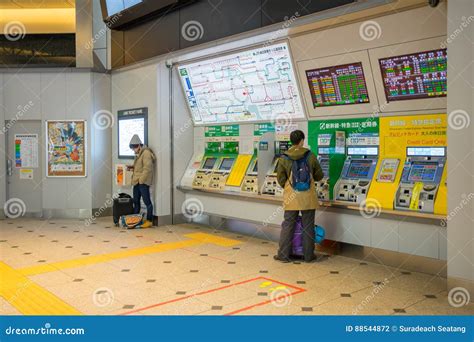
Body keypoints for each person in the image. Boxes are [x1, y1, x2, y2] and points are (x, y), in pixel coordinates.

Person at [274, 130, 324, 263]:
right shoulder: (310, 155)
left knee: (288, 225)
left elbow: (280, 179)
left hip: (292, 197)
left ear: (291, 141)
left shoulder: (284, 157)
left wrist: (289, 187)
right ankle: (308, 256)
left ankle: (283, 255)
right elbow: (319, 175)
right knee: (308, 226)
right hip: (308, 196)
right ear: (302, 140)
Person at [128, 134, 156, 228]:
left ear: (139, 145)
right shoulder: (138, 154)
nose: (134, 150)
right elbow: (139, 167)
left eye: (134, 147)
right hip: (136, 181)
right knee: (136, 201)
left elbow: (147, 168)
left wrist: (141, 180)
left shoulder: (146, 153)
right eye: (132, 148)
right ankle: (135, 219)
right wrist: (132, 167)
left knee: (147, 201)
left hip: (143, 182)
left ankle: (149, 220)